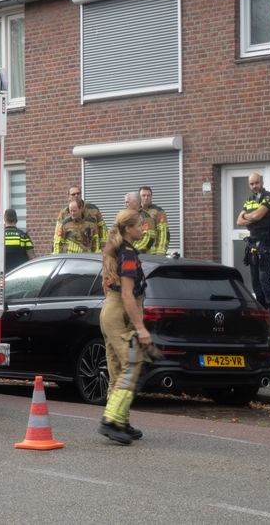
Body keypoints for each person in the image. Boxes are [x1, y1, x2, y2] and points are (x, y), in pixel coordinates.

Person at [97, 209, 158, 445]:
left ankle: (120, 421)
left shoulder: (114, 249)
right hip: (121, 312)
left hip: (109, 312)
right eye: (140, 225)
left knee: (117, 368)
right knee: (132, 365)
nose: (143, 229)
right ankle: (110, 421)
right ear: (128, 229)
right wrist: (140, 328)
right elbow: (128, 294)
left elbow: (107, 285)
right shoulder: (129, 253)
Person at [237, 173, 270, 328]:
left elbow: (258, 215)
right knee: (255, 281)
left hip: (265, 242)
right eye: (251, 183)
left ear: (262, 182)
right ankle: (263, 315)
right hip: (253, 243)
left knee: (264, 277)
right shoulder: (249, 200)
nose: (254, 186)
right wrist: (252, 217)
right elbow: (238, 220)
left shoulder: (268, 197)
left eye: (256, 182)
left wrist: (248, 217)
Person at [138, 186, 169, 255]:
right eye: (143, 195)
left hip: (152, 254)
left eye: (148, 195)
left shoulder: (158, 211)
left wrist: (161, 252)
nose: (146, 198)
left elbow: (163, 233)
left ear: (151, 197)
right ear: (139, 197)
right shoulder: (134, 211)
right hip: (137, 252)